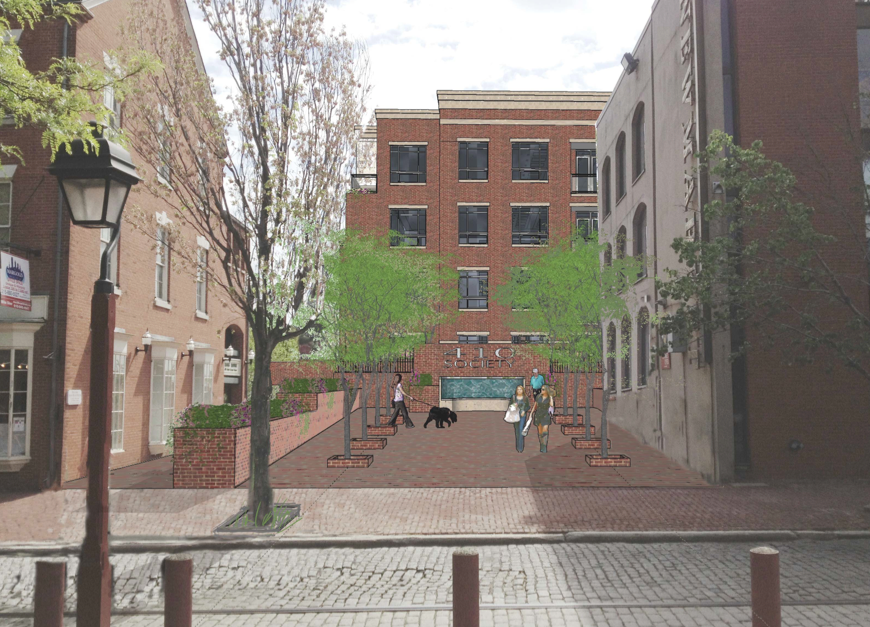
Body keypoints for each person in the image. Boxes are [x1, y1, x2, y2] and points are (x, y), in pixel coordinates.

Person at [530, 384, 555, 453]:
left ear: (546, 390)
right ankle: (542, 445)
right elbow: (535, 405)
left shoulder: (549, 398)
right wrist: (531, 413)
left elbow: (552, 405)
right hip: (538, 415)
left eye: (543, 389)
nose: (542, 390)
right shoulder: (538, 397)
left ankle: (544, 447)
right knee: (540, 432)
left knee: (545, 431)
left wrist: (550, 396)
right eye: (541, 389)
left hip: (545, 415)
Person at [507, 384, 531, 453]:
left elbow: (528, 406)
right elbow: (510, 406)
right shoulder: (514, 397)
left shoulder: (525, 398)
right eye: (518, 389)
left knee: (521, 430)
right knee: (517, 431)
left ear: (522, 390)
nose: (519, 391)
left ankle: (520, 448)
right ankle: (518, 446)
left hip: (522, 416)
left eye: (520, 389)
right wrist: (513, 407)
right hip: (515, 415)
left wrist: (524, 410)